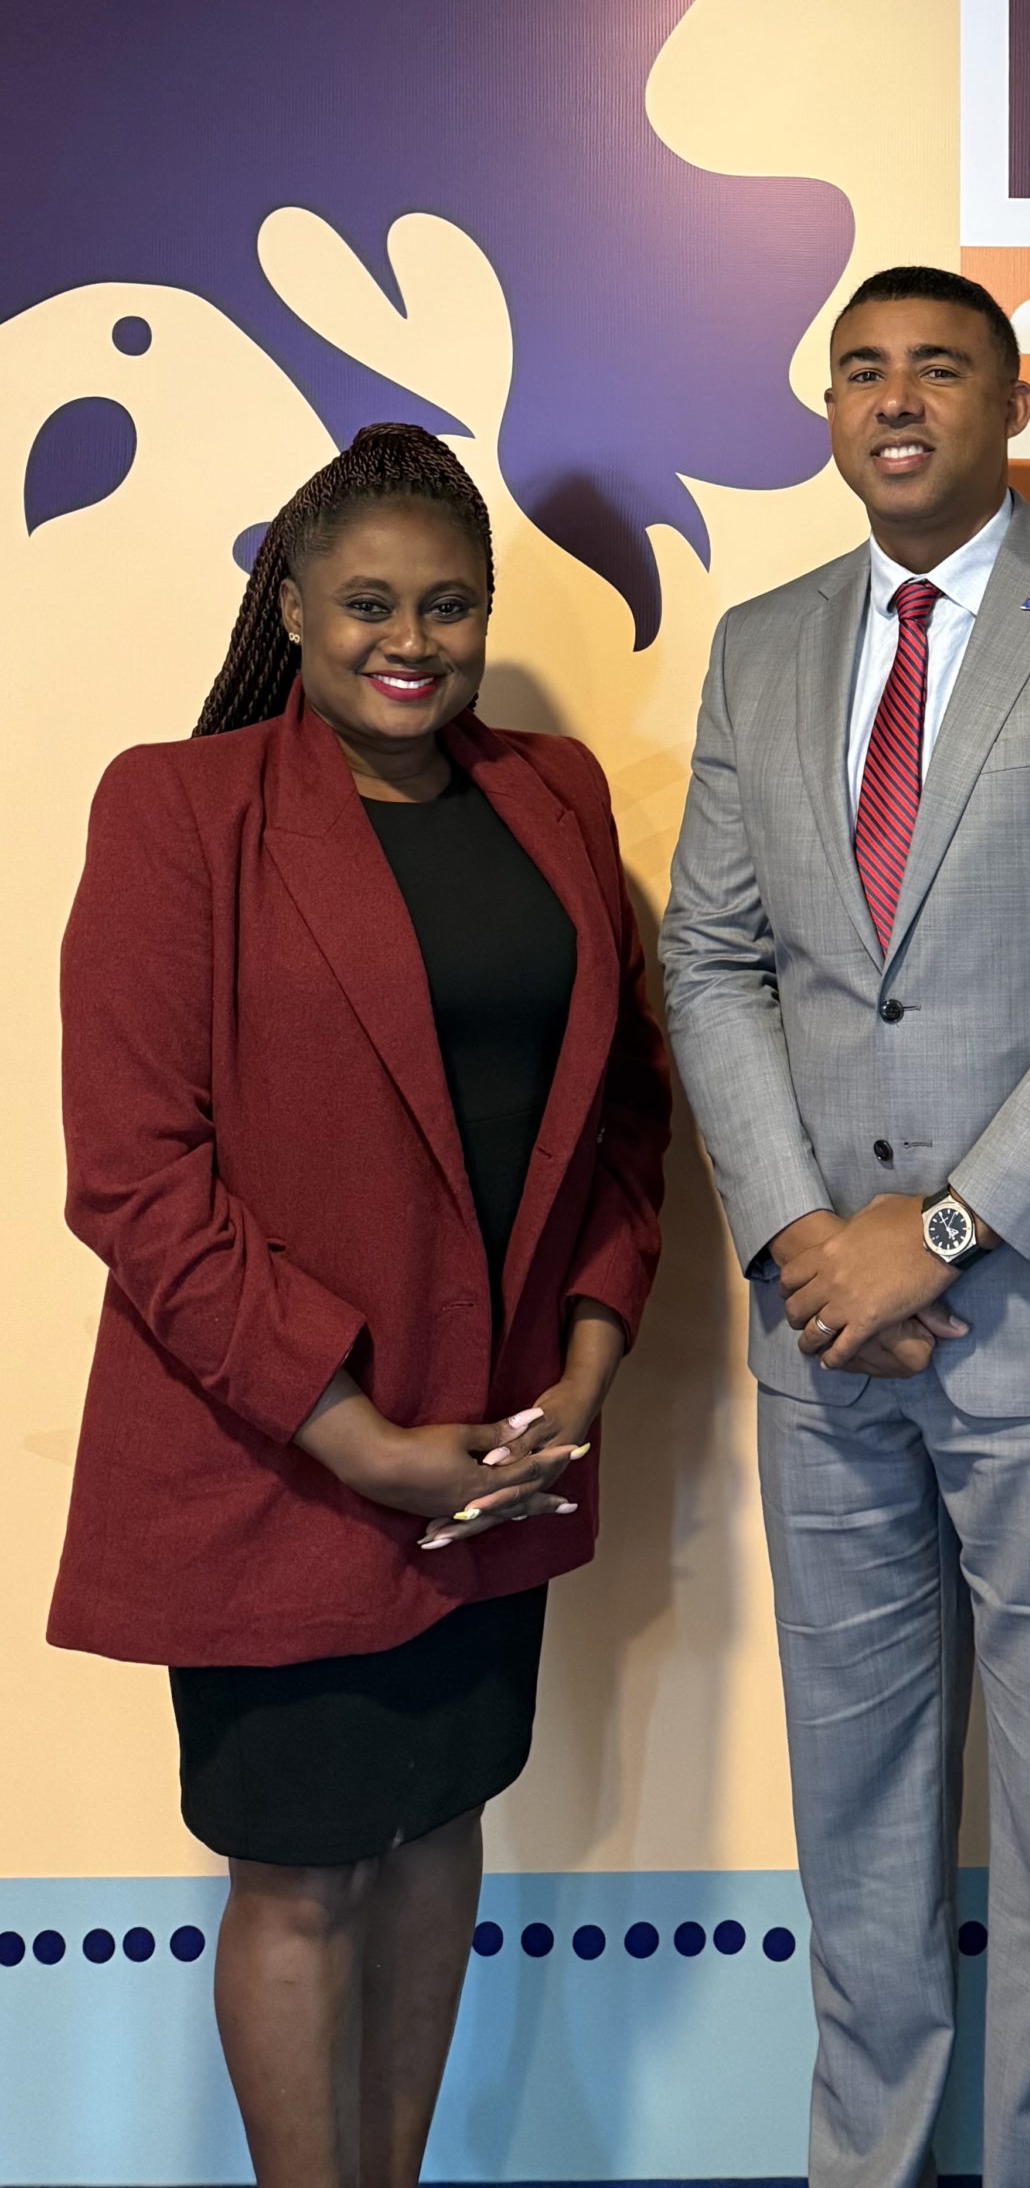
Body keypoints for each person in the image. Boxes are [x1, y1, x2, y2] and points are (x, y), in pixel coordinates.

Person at [661, 264, 1030, 2188]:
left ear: (1011, 401)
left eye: (938, 367)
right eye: (862, 369)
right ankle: (868, 2165)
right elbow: (711, 959)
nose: (895, 397)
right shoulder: (761, 646)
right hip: (820, 1335)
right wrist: (799, 1239)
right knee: (855, 1819)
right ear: (827, 410)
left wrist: (936, 1231)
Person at [48, 424, 670, 2188]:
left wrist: (591, 1357)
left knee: (437, 1829)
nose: (412, 639)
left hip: (496, 1451)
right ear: (295, 611)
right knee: (303, 1875)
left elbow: (625, 1111)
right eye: (369, 603)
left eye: (448, 604)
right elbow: (135, 1176)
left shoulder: (553, 794)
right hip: (281, 1459)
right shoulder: (178, 809)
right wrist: (352, 1432)